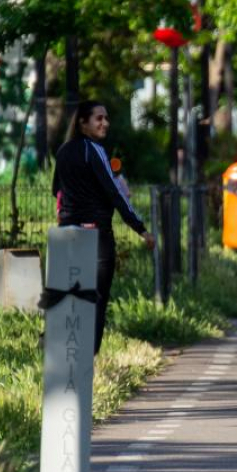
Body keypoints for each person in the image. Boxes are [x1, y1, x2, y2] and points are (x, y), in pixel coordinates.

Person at [52, 100, 155, 355]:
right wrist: (140, 229)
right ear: (82, 123)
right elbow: (114, 192)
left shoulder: (63, 151)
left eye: (105, 118)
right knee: (96, 301)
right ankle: (89, 359)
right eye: (99, 118)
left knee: (69, 299)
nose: (105, 123)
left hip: (66, 234)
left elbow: (56, 190)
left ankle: (64, 356)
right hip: (96, 236)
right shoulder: (94, 149)